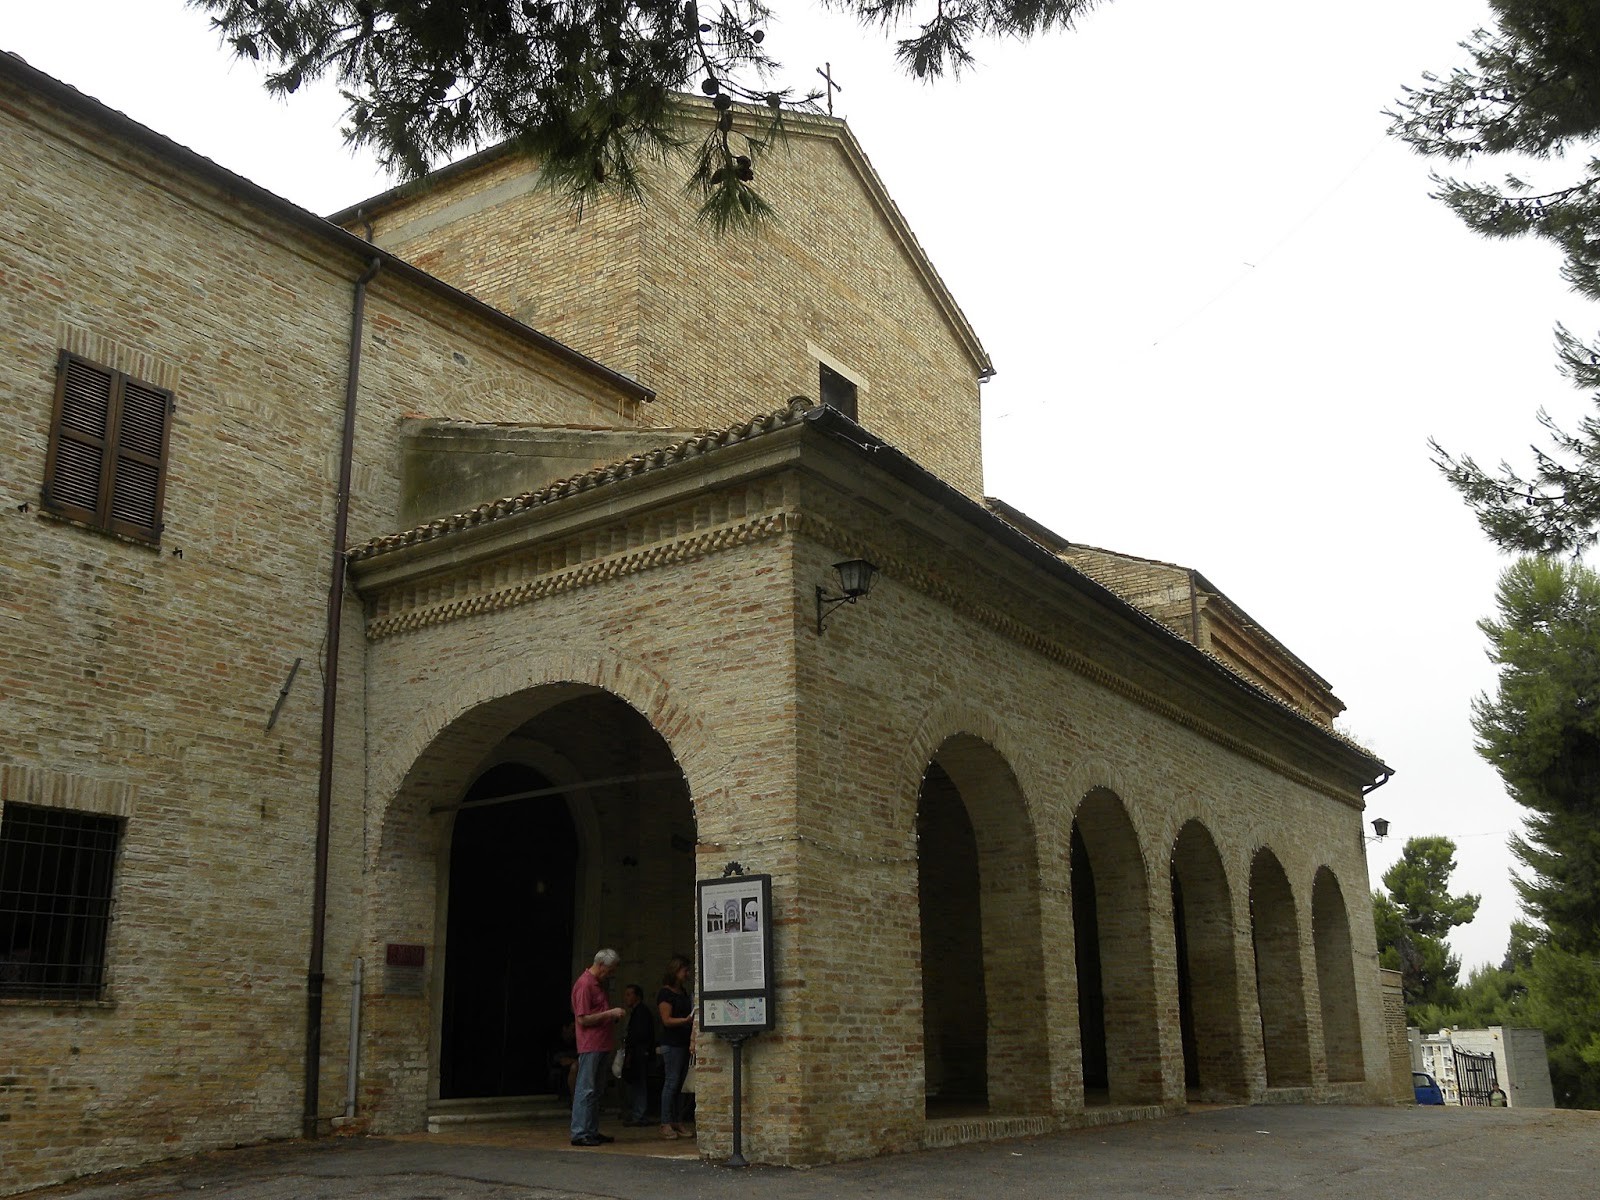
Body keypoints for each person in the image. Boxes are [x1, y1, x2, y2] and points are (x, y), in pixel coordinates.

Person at [569, 948, 625, 1147]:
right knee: (586, 1088)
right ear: (601, 964)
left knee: (596, 1089)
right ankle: (580, 1132)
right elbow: (582, 1019)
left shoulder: (598, 984)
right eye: (609, 970)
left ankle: (591, 1130)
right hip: (590, 1044)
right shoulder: (585, 985)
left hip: (602, 1043)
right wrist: (609, 1014)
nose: (610, 974)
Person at [656, 954, 694, 1139]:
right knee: (671, 1082)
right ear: (675, 970)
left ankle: (677, 1120)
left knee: (680, 1084)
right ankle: (665, 1122)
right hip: (672, 1044)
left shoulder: (683, 992)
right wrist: (686, 1020)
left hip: (683, 1042)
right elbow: (666, 1020)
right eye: (684, 970)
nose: (687, 973)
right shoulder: (666, 993)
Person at [619, 983, 655, 1125]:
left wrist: (631, 1052)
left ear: (637, 996)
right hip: (637, 1053)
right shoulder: (636, 1012)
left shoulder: (641, 1012)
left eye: (629, 994)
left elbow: (639, 1035)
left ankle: (639, 1114)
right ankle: (636, 1112)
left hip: (639, 1054)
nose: (626, 998)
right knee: (635, 1084)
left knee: (639, 1085)